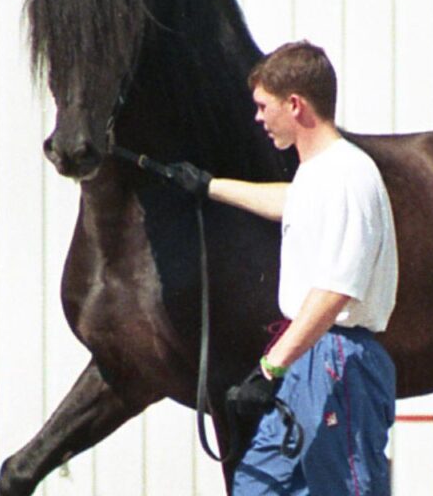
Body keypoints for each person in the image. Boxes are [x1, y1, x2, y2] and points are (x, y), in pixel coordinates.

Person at [168, 40, 398, 495]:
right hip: (306, 359)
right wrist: (208, 186)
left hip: (337, 361)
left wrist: (270, 368)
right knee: (257, 486)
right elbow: (289, 202)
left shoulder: (348, 176)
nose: (257, 118)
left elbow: (335, 291)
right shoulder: (317, 174)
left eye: (262, 106)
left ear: (295, 104)